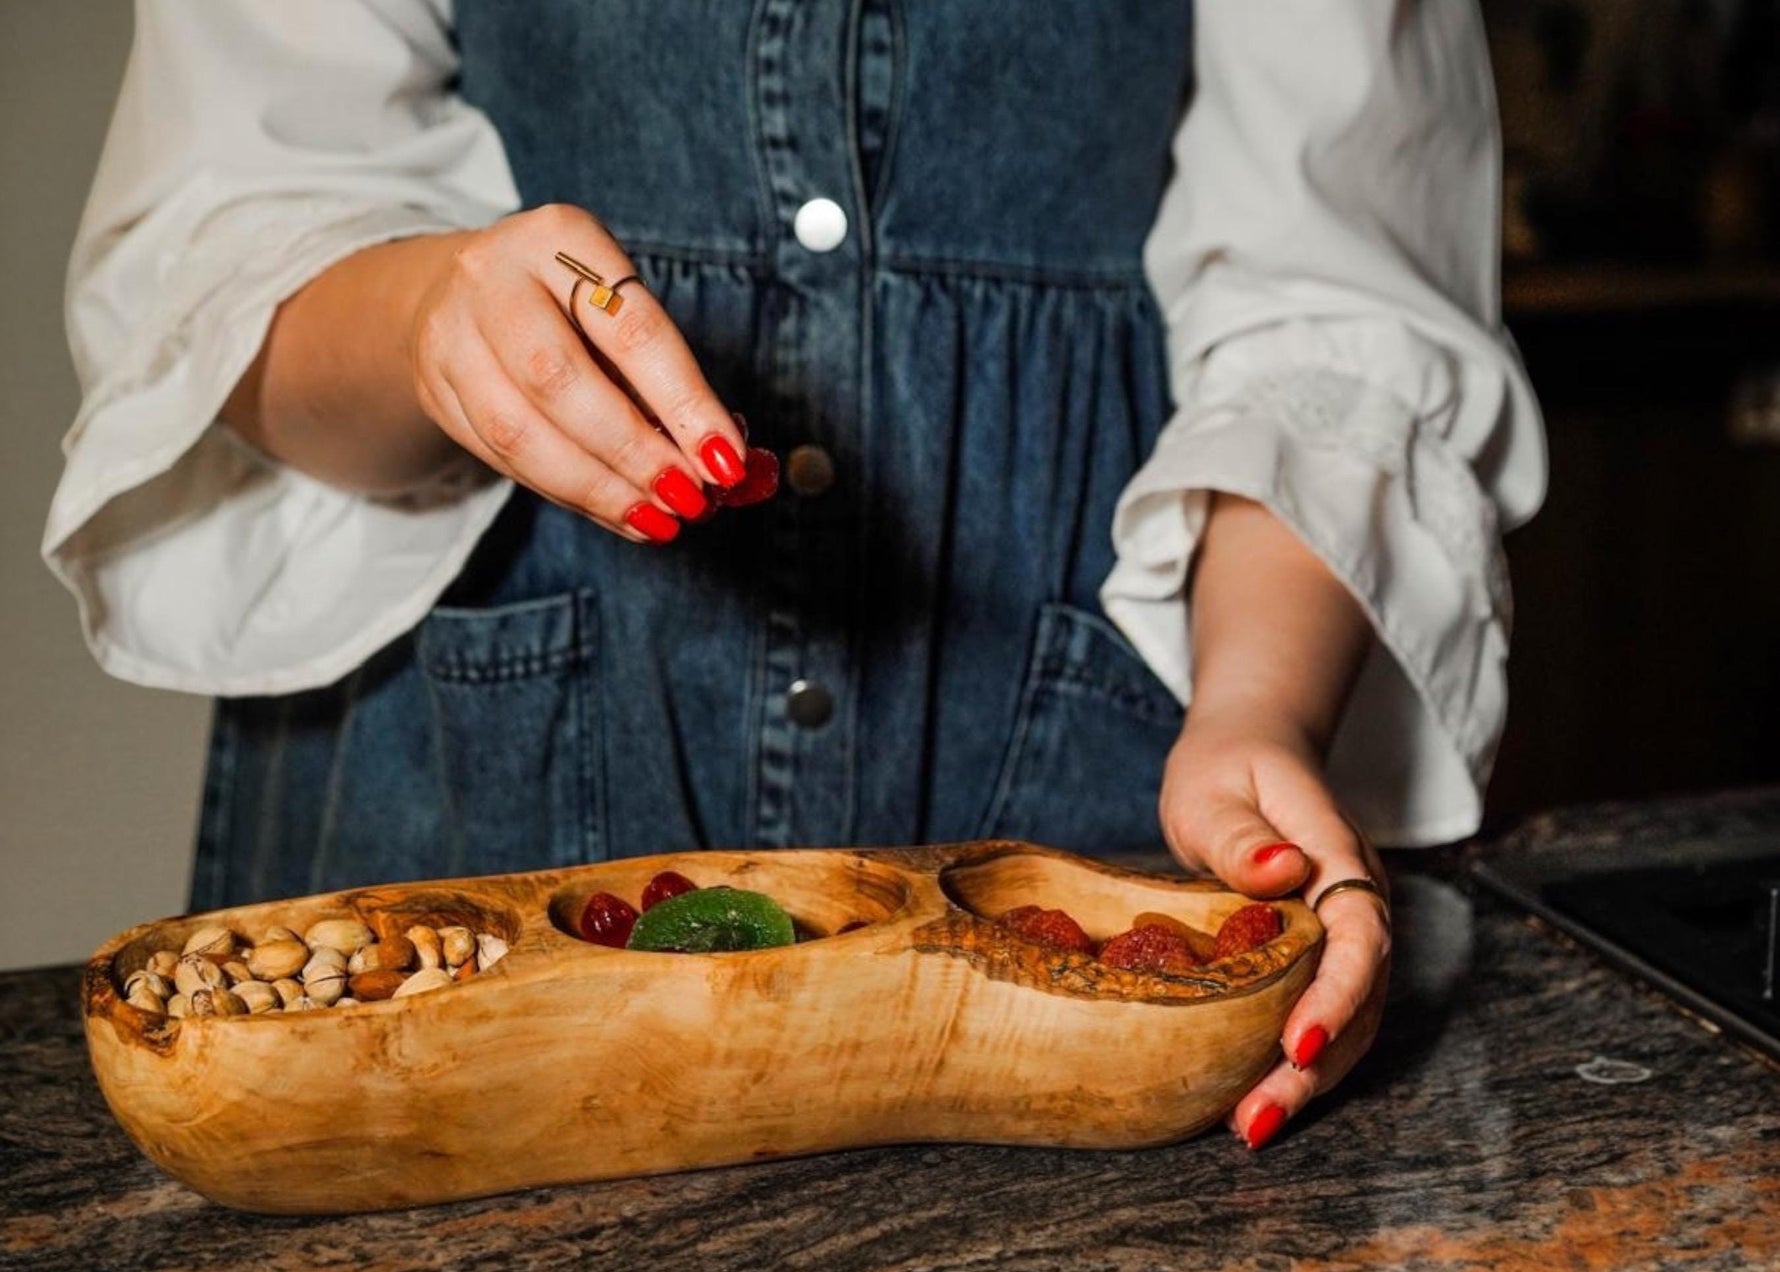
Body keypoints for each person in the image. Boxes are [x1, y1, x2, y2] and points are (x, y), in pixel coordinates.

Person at [44, 1, 1543, 1151]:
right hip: (477, 771)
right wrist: (436, 321)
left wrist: (1260, 710)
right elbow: (223, 242)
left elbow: (1334, 313)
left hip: (1094, 765)